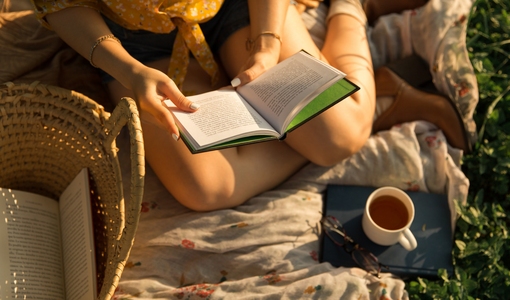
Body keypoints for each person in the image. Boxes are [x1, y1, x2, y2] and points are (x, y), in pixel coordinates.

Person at [30, 0, 377, 211]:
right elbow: (60, 3)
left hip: (238, 9)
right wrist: (131, 72)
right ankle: (313, 123)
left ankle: (351, 9)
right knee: (208, 187)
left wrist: (268, 45)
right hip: (132, 44)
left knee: (340, 138)